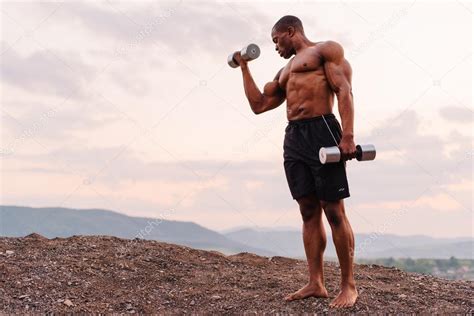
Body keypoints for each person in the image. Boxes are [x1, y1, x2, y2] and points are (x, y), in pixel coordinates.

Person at [233, 15, 358, 308]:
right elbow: (259, 105)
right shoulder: (284, 71)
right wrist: (244, 68)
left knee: (334, 210)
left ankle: (348, 285)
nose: (275, 47)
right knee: (307, 209)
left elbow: (344, 90)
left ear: (291, 32)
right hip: (295, 137)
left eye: (277, 40)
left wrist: (348, 135)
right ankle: (316, 282)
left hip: (323, 130)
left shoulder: (325, 50)